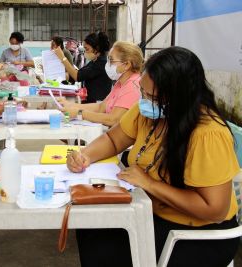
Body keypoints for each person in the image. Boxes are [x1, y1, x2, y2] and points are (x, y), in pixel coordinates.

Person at [66, 46, 240, 267]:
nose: (145, 101)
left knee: (103, 248)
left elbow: (214, 209)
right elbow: (114, 139)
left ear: (180, 96)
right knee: (90, 226)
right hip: (153, 211)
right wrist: (84, 155)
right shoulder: (148, 112)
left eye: (153, 96)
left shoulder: (207, 134)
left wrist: (148, 183)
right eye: (142, 92)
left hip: (198, 234)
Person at [59, 41, 143, 127]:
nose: (108, 64)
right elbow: (101, 107)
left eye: (111, 60)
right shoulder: (120, 83)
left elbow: (113, 119)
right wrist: (71, 106)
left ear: (127, 65)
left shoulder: (133, 86)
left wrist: (79, 113)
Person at [53, 32, 112, 103]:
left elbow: (77, 76)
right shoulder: (94, 61)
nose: (85, 52)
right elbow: (80, 73)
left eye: (87, 49)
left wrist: (62, 58)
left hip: (96, 104)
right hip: (89, 100)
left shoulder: (101, 63)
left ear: (96, 48)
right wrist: (62, 75)